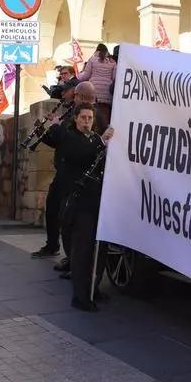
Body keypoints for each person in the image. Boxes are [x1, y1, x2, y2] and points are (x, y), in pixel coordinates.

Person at [40, 104, 114, 311]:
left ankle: (93, 288)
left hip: (96, 200)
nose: (87, 121)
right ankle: (81, 297)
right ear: (76, 119)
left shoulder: (93, 138)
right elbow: (78, 153)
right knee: (82, 251)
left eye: (90, 118)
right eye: (83, 117)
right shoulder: (69, 137)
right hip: (78, 203)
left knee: (99, 250)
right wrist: (101, 142)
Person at [78, 44, 116, 129]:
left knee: (92, 113)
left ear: (97, 50)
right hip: (107, 93)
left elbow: (85, 76)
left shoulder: (92, 59)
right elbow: (114, 78)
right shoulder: (113, 62)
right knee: (104, 116)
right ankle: (102, 134)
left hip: (93, 90)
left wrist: (78, 75)